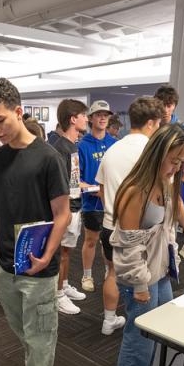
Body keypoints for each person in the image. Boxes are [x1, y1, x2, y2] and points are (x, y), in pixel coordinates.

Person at [0, 77, 71, 366]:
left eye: (0, 120)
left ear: (18, 111)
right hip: (5, 263)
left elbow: (63, 214)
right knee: (25, 332)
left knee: (41, 334)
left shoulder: (48, 157)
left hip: (39, 266)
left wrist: (46, 257)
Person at [109, 125, 184, 366]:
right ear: (157, 154)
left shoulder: (164, 183)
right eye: (173, 160)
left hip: (158, 269)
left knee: (159, 326)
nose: (176, 167)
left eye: (181, 162)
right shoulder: (136, 190)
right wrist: (139, 285)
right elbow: (129, 246)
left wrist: (173, 260)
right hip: (139, 275)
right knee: (141, 331)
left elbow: (166, 229)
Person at [97, 96, 171, 336]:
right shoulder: (152, 153)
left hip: (109, 224)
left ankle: (109, 320)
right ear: (152, 123)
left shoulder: (112, 148)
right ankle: (138, 331)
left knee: (112, 272)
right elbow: (164, 195)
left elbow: (101, 189)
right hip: (140, 232)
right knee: (142, 290)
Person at [46, 99, 89, 315]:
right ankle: (58, 293)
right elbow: (61, 184)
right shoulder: (61, 148)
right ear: (74, 119)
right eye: (84, 115)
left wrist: (87, 187)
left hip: (74, 205)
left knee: (66, 252)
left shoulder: (70, 146)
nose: (87, 119)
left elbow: (72, 181)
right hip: (67, 209)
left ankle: (63, 284)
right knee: (61, 252)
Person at [78, 100, 117, 294]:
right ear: (91, 118)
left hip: (111, 204)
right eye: (98, 114)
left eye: (106, 115)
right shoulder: (82, 145)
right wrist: (96, 189)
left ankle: (109, 273)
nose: (102, 118)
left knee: (109, 241)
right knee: (91, 240)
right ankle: (87, 274)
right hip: (92, 204)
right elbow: (76, 180)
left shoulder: (114, 143)